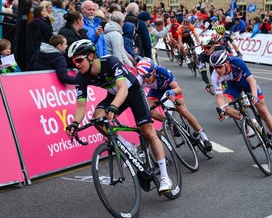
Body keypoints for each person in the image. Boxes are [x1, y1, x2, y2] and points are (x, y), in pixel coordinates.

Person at [65, 39, 173, 192]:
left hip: (131, 92)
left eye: (79, 59)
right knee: (97, 118)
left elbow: (123, 88)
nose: (76, 64)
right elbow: (81, 105)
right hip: (113, 95)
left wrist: (114, 106)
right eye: (73, 61)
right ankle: (127, 146)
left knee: (148, 132)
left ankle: (164, 177)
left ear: (90, 56)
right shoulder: (81, 77)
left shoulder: (110, 62)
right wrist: (75, 123)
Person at [210, 49, 272, 157]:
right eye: (214, 67)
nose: (217, 70)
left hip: (247, 83)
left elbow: (251, 80)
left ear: (226, 63)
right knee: (225, 107)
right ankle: (250, 122)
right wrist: (222, 111)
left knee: (262, 109)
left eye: (219, 67)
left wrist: (255, 96)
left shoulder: (236, 62)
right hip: (233, 87)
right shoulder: (215, 76)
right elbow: (219, 97)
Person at [136, 58, 213, 152]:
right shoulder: (140, 79)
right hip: (156, 91)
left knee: (183, 110)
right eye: (143, 77)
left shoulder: (161, 71)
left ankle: (204, 137)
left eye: (148, 76)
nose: (146, 79)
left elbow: (178, 89)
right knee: (149, 110)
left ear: (153, 71)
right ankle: (171, 123)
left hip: (170, 87)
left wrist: (171, 92)